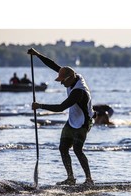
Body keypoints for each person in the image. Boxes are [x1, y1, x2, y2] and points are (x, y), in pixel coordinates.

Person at [27, 47, 94, 186]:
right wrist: (37, 55)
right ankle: (71, 178)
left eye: (62, 81)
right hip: (72, 120)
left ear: (69, 79)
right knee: (63, 148)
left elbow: (61, 107)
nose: (61, 83)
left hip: (83, 122)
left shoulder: (78, 92)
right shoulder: (72, 76)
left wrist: (40, 106)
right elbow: (53, 65)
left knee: (77, 149)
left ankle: (89, 180)